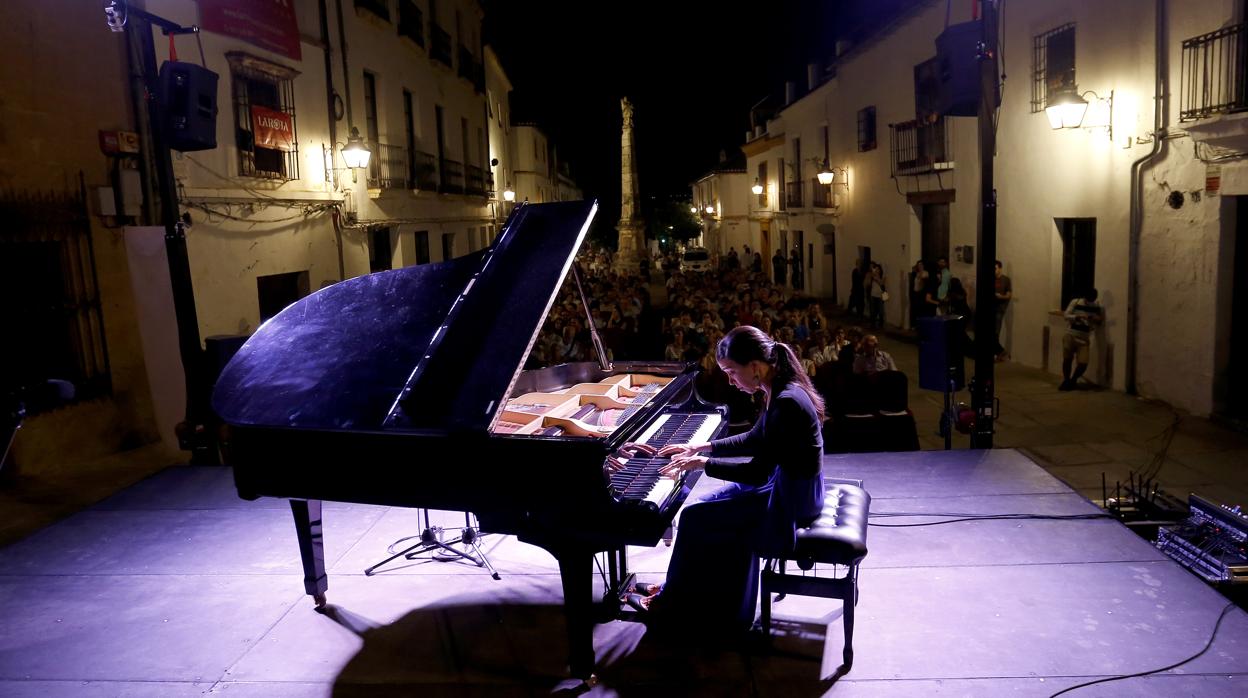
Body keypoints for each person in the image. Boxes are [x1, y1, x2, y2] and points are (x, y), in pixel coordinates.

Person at [611, 326, 826, 640]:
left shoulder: (787, 400)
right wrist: (700, 447)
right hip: (785, 487)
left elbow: (757, 472)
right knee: (706, 506)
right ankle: (680, 590)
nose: (730, 380)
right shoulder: (778, 388)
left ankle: (670, 603)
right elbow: (756, 439)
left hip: (791, 501)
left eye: (731, 371)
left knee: (693, 517)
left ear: (755, 366)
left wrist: (702, 464)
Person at [1060, 289, 1104, 391]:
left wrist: (1093, 318)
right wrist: (1077, 317)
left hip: (1084, 338)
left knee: (1083, 363)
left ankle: (1073, 380)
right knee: (1067, 359)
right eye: (1088, 300)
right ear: (1085, 297)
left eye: (1092, 300)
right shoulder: (1075, 302)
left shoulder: (1095, 306)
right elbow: (1066, 315)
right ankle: (1066, 380)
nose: (1090, 302)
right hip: (1070, 335)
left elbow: (1099, 320)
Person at [993, 260, 1012, 361]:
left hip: (999, 309)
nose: (994, 271)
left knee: (996, 332)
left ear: (1000, 268)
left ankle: (1000, 352)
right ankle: (1000, 352)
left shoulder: (1006, 280)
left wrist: (1001, 296)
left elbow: (1009, 295)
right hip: (990, 308)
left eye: (995, 268)